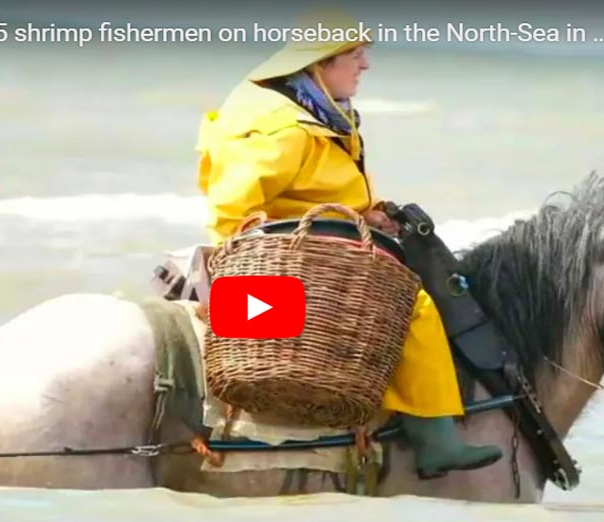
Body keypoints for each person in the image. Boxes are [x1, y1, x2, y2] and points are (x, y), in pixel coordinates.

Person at [195, 19, 503, 477]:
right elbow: (233, 206)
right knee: (411, 304)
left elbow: (310, 188)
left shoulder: (308, 108)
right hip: (294, 253)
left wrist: (369, 212)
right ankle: (436, 439)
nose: (366, 63)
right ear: (321, 63)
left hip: (312, 237)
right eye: (354, 54)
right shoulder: (287, 128)